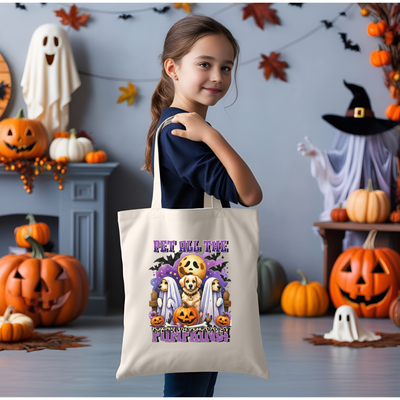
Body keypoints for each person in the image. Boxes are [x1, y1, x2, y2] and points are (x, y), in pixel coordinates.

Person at [141, 14, 262, 398]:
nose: (218, 76)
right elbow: (249, 194)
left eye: (226, 67)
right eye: (205, 64)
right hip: (190, 273)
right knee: (189, 375)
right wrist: (211, 134)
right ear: (172, 68)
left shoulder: (175, 124)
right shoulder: (182, 131)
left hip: (187, 267)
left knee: (195, 372)